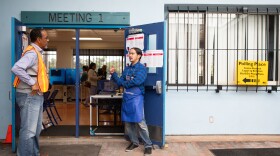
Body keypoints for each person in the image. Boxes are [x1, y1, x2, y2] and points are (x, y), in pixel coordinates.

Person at [11, 28, 49, 156]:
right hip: (29, 96)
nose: (47, 39)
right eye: (46, 37)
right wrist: (32, 83)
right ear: (38, 39)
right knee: (29, 130)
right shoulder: (32, 53)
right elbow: (16, 68)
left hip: (35, 96)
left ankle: (34, 153)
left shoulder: (36, 53)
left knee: (35, 129)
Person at [110, 47, 152, 155]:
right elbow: (120, 81)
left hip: (137, 98)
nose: (130, 55)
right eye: (129, 53)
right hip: (127, 98)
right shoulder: (127, 69)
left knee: (140, 122)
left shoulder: (142, 69)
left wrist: (124, 83)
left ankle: (148, 145)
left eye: (132, 53)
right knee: (128, 123)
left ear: (139, 55)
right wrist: (114, 74)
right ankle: (134, 142)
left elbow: (137, 81)